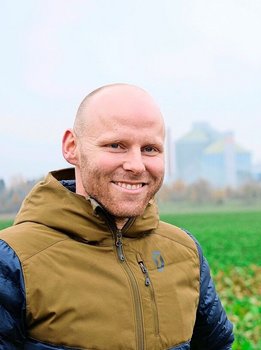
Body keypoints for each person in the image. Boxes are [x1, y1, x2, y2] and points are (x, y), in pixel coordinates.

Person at [0, 83, 234, 349]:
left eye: (150, 149)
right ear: (72, 147)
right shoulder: (11, 259)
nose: (136, 165)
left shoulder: (186, 251)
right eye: (116, 145)